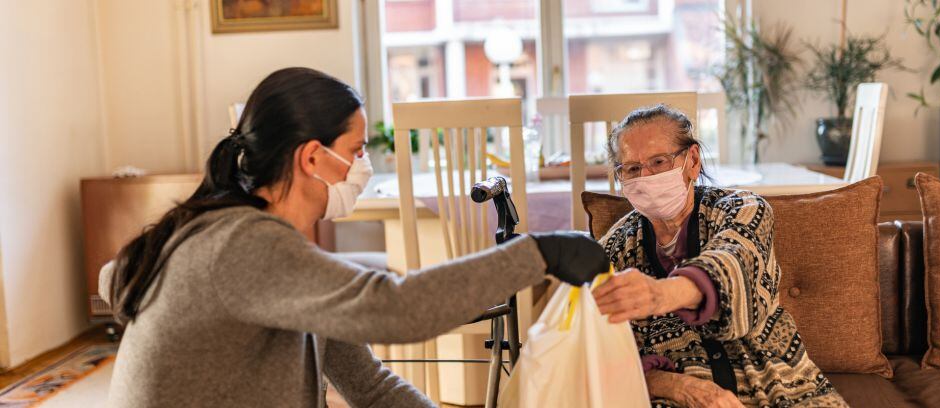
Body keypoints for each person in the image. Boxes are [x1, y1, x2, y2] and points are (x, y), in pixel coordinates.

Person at [99, 67, 607, 408]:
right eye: (357, 149)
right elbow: (395, 309)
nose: (363, 165)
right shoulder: (243, 244)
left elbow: (369, 386)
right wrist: (540, 252)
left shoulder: (248, 244)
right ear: (313, 157)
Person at [591, 105, 847, 408]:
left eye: (659, 162)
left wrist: (658, 294)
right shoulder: (616, 248)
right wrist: (666, 383)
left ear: (693, 161)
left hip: (780, 387)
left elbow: (733, 259)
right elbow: (601, 354)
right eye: (632, 169)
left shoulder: (744, 209)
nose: (645, 177)